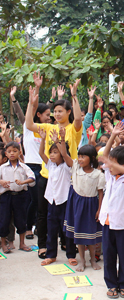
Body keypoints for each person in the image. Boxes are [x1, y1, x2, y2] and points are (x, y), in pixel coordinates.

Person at [25, 77, 83, 260]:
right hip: (47, 177)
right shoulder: (48, 127)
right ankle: (45, 248)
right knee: (44, 215)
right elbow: (29, 125)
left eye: (60, 111)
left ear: (68, 112)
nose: (57, 114)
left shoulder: (74, 129)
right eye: (55, 111)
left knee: (67, 216)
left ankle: (68, 248)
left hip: (68, 178)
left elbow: (79, 119)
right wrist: (30, 103)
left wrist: (74, 96)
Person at [98, 124, 124, 299]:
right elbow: (103, 156)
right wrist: (113, 136)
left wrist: (114, 163)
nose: (107, 165)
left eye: (112, 163)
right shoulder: (109, 176)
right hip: (107, 222)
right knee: (108, 256)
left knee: (123, 256)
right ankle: (111, 285)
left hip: (121, 225)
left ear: (120, 165)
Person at [11, 85, 51, 242]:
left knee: (44, 200)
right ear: (39, 115)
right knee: (35, 199)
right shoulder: (28, 128)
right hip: (31, 167)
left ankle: (40, 227)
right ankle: (28, 227)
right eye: (46, 115)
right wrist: (34, 95)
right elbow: (31, 109)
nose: (49, 117)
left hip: (45, 167)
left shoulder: (47, 129)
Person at [38, 128, 77, 267]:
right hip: (52, 201)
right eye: (51, 152)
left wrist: (61, 139)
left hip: (64, 202)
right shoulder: (51, 166)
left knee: (66, 230)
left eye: (55, 152)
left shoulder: (67, 166)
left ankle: (71, 255)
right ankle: (51, 255)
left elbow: (65, 154)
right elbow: (41, 153)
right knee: (51, 229)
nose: (52, 155)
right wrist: (43, 139)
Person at [64, 144, 105, 272]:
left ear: (92, 158)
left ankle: (92, 259)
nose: (80, 159)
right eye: (79, 156)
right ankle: (82, 261)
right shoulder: (76, 168)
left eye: (83, 157)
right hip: (77, 204)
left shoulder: (98, 174)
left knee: (91, 236)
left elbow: (100, 193)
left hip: (91, 205)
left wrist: (99, 209)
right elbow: (65, 155)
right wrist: (60, 141)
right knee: (79, 236)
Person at [0, 142, 35, 254]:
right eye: (9, 151)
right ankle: (3, 244)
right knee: (4, 219)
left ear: (19, 152)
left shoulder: (24, 167)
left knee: (21, 219)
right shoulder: (2, 168)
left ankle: (21, 243)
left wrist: (22, 182)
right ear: (5, 153)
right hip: (6, 196)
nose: (12, 154)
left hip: (20, 196)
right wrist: (1, 182)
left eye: (14, 151)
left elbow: (32, 178)